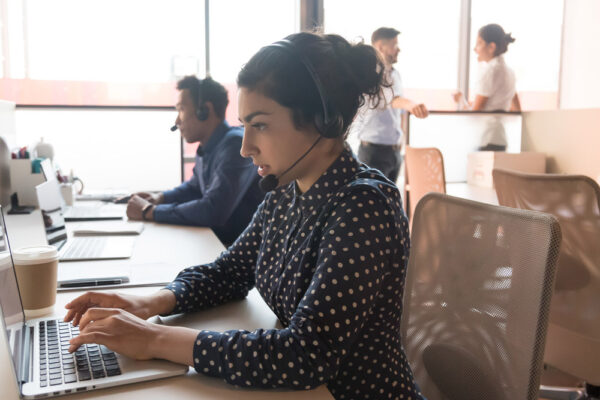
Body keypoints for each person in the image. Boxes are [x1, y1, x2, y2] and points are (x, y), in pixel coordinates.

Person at [64, 32, 424, 400]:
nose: (245, 146)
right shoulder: (286, 189)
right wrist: (150, 302)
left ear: (323, 120)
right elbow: (232, 271)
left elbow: (305, 355)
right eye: (245, 124)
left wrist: (156, 338)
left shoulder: (363, 206)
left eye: (261, 125)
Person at [126, 76, 264, 245]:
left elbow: (213, 210)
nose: (177, 121)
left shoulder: (234, 146)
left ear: (204, 110)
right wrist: (159, 197)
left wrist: (150, 211)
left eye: (181, 109)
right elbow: (194, 187)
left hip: (236, 254)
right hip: (213, 243)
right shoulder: (208, 147)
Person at [350, 27, 428, 183]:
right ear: (380, 47)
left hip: (393, 151)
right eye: (394, 45)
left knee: (390, 201)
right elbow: (393, 100)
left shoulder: (395, 74)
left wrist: (401, 141)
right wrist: (413, 105)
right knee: (372, 201)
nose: (398, 49)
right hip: (373, 152)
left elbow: (397, 110)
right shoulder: (374, 74)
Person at [453, 23, 521, 151]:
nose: (475, 49)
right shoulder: (510, 72)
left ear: (491, 47)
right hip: (500, 138)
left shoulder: (490, 71)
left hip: (486, 139)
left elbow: (476, 112)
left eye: (479, 43)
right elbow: (516, 108)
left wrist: (461, 101)